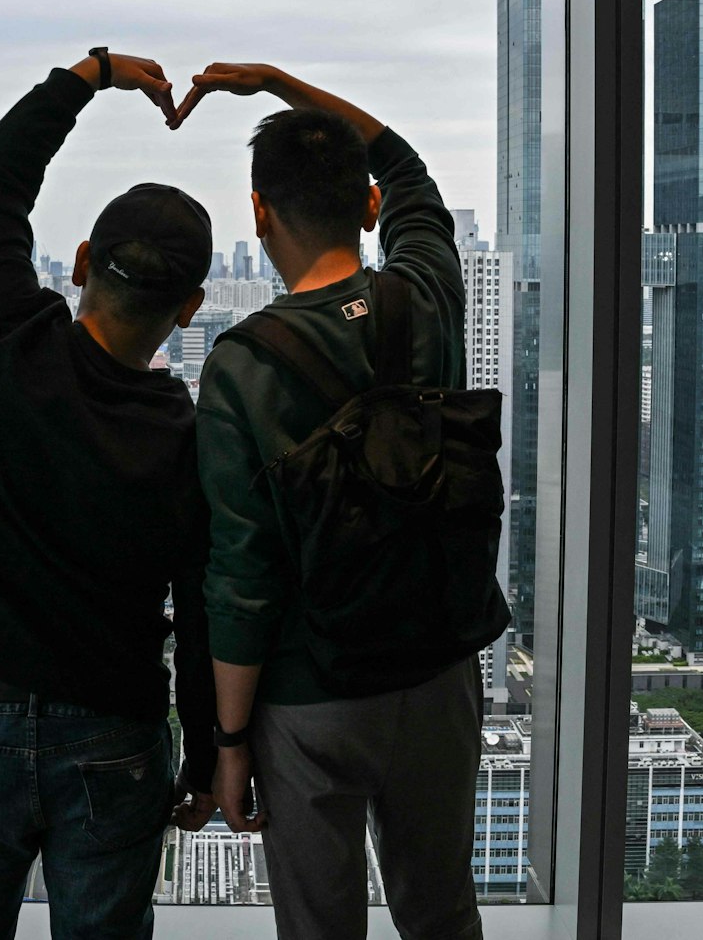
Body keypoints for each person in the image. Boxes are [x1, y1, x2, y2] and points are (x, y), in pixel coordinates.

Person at [0, 49, 219, 939]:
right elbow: (201, 608)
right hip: (113, 740)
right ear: (191, 306)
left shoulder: (5, 337)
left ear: (80, 261)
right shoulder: (185, 437)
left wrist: (90, 75)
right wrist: (205, 748)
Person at [174, 63, 485, 940]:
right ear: (371, 207)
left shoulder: (239, 363)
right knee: (444, 913)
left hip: (311, 697)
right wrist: (278, 83)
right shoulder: (423, 298)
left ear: (260, 213)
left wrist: (229, 744)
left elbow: (240, 574)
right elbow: (408, 163)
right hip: (437, 674)